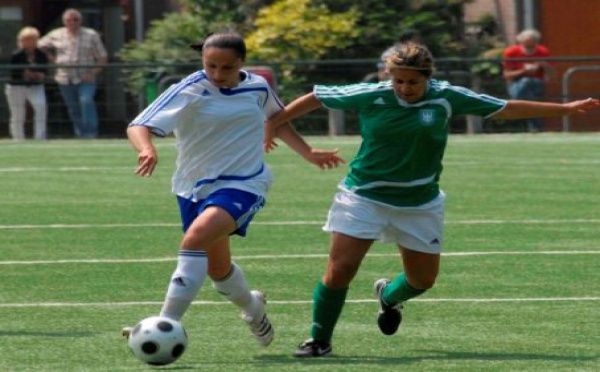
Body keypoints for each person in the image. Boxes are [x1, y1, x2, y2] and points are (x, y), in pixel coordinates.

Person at [265, 42, 600, 358]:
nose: (405, 88)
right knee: (341, 270)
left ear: (428, 77)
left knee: (422, 281)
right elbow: (317, 96)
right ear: (387, 75)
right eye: (398, 80)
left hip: (420, 202)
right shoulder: (371, 94)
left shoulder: (446, 97)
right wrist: (274, 123)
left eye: (413, 81)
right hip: (363, 196)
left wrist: (566, 107)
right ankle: (319, 340)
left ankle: (389, 296)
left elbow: (505, 107)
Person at [122, 32, 344, 348]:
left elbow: (278, 119)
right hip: (193, 187)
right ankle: (254, 309)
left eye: (226, 68)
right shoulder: (189, 89)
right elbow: (138, 125)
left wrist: (309, 153)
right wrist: (147, 149)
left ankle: (165, 323)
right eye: (210, 66)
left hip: (245, 183)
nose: (217, 74)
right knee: (217, 268)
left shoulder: (257, 86)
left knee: (195, 238)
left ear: (241, 62)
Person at [38, 8, 107, 138]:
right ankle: (80, 133)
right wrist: (50, 57)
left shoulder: (91, 35)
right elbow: (38, 45)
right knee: (73, 108)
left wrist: (92, 73)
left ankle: (91, 133)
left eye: (76, 19)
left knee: (86, 101)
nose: (72, 22)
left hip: (86, 77)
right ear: (64, 21)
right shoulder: (55, 34)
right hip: (64, 78)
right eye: (69, 20)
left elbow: (102, 58)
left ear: (81, 21)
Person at [502, 29, 553, 132]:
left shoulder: (542, 52)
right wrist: (523, 71)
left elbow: (551, 74)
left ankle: (516, 102)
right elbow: (507, 75)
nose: (529, 48)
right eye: (526, 45)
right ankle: (536, 126)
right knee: (529, 95)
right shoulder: (511, 52)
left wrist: (544, 65)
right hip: (515, 84)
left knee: (528, 83)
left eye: (532, 45)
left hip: (536, 84)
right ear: (521, 42)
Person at [5, 26, 49, 140]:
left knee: (40, 107)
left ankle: (40, 137)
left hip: (35, 85)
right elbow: (12, 72)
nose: (30, 42)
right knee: (18, 113)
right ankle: (18, 138)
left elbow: (46, 70)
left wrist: (39, 75)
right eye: (27, 39)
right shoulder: (16, 55)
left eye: (33, 39)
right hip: (16, 87)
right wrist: (25, 73)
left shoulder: (41, 54)